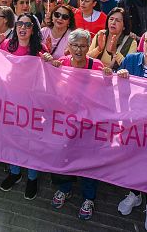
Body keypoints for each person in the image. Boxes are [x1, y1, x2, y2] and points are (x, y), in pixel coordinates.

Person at [47, 29, 113, 220]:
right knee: (64, 156)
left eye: (83, 46)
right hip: (66, 122)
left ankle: (89, 198)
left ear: (88, 47)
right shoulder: (62, 63)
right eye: (75, 45)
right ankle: (65, 188)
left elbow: (108, 92)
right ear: (69, 46)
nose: (79, 49)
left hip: (89, 124)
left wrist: (111, 77)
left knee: (88, 160)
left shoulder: (97, 65)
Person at [0, 13, 47, 200]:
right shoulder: (6, 45)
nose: (23, 27)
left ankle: (32, 177)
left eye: (28, 24)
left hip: (32, 103)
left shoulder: (40, 49)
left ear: (33, 29)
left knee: (30, 140)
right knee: (12, 137)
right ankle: (15, 172)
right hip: (10, 100)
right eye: (20, 24)